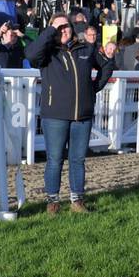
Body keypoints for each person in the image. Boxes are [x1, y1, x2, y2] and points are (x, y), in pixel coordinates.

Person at [25, 14, 114, 214]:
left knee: (78, 159)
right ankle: (52, 201)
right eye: (58, 27)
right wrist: (50, 30)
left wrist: (94, 88)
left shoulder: (85, 49)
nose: (63, 30)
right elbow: (30, 55)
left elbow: (106, 65)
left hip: (82, 116)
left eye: (66, 26)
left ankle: (77, 200)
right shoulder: (46, 53)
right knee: (54, 159)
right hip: (54, 115)